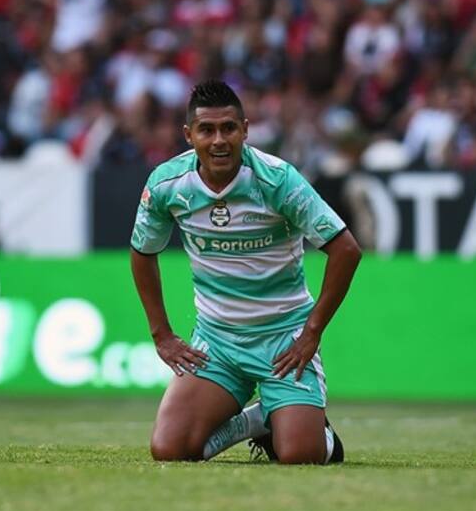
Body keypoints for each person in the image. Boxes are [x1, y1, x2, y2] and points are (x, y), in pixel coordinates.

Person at [130, 81, 362, 464]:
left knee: (300, 456)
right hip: (216, 343)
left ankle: (300, 426)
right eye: (207, 130)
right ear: (189, 136)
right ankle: (261, 421)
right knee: (168, 450)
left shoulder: (277, 180)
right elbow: (142, 252)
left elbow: (346, 250)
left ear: (245, 130)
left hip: (283, 343)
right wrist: (162, 334)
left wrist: (311, 333)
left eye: (229, 128)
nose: (219, 140)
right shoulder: (166, 184)